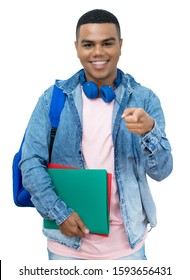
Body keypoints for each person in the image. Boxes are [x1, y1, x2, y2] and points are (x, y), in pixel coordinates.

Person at [19, 9, 173, 260]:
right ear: (77, 47)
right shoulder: (53, 99)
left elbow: (163, 171)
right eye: (89, 44)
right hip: (66, 247)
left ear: (120, 45)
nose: (98, 52)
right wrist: (60, 214)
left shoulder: (144, 99)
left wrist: (149, 132)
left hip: (129, 248)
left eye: (107, 43)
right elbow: (30, 163)